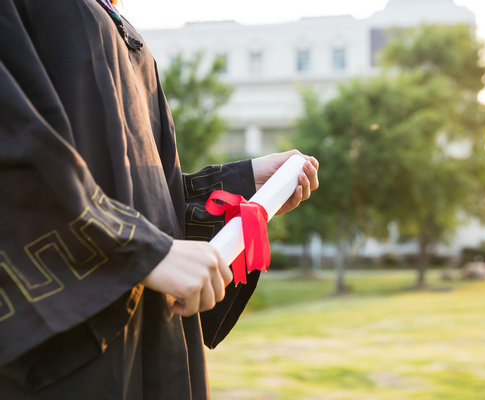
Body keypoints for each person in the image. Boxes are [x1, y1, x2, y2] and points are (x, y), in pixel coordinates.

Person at [0, 0, 319, 399]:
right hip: (76, 354)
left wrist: (239, 185)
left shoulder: (115, 21)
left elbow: (144, 199)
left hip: (156, 337)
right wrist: (139, 249)